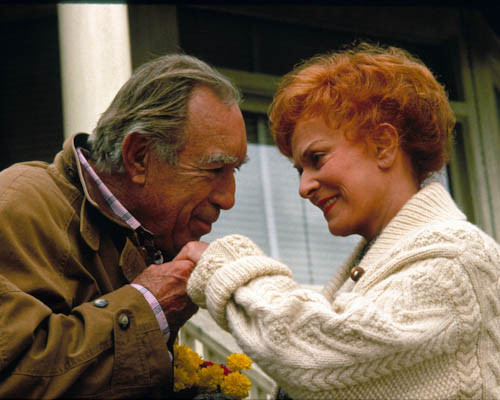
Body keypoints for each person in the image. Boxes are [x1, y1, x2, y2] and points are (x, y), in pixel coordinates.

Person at [181, 42, 500, 399]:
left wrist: (225, 265)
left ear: (383, 145)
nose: (304, 187)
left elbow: (317, 352)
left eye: (317, 158)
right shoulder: (382, 263)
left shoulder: (457, 261)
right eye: (299, 170)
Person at [0, 54, 247, 398]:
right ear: (138, 157)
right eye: (214, 169)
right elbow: (11, 376)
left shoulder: (145, 237)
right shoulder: (19, 203)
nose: (228, 198)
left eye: (236, 171)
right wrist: (149, 305)